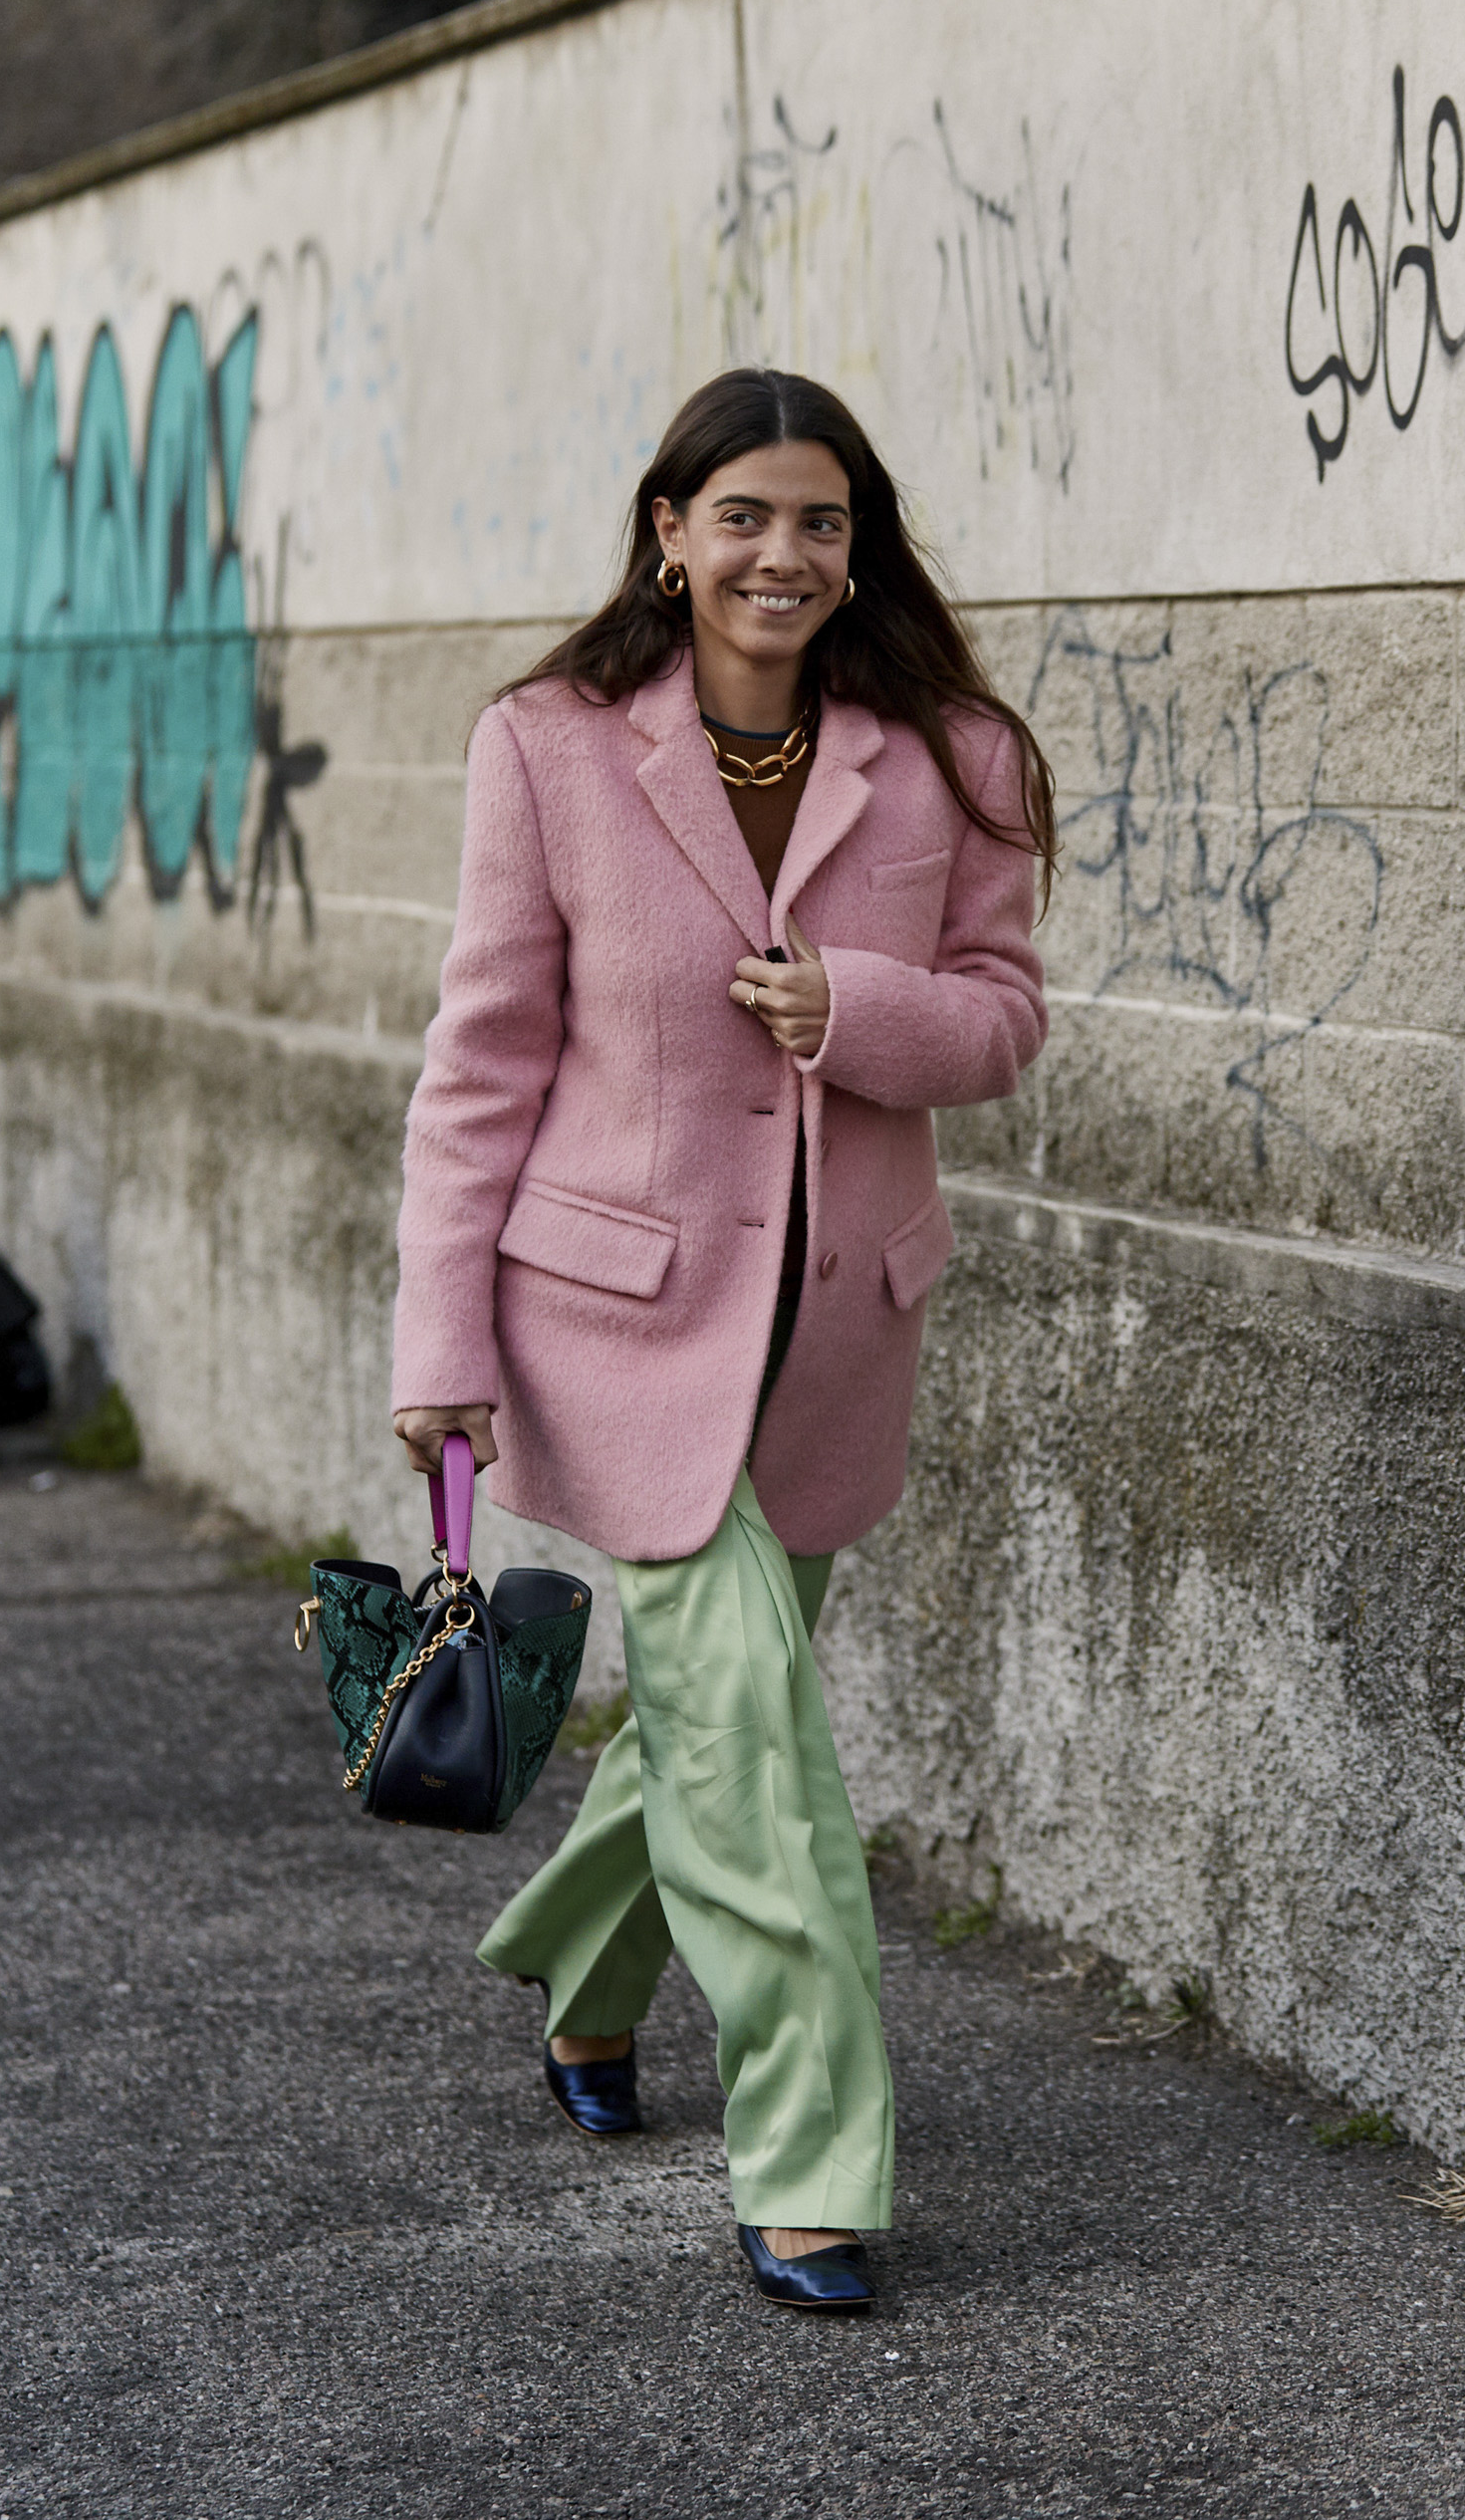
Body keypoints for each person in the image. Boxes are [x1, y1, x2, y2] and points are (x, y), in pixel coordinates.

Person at [390, 368, 1054, 2313]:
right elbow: (484, 1055)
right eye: (744, 515)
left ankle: (578, 1981)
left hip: (839, 1331)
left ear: (860, 549)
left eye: (821, 520)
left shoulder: (949, 753)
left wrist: (857, 1006)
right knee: (761, 1756)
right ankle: (816, 2164)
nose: (784, 553)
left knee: (708, 1724)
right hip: (614, 1323)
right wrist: (445, 1335)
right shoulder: (551, 747)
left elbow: (1007, 1017)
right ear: (668, 532)